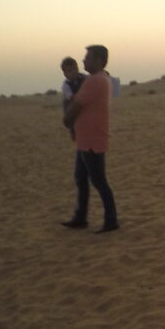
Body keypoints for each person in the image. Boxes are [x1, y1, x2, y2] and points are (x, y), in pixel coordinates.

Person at [61, 44, 119, 233]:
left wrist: (67, 119)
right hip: (85, 140)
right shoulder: (99, 79)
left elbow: (76, 105)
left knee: (99, 181)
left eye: (88, 57)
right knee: (81, 177)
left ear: (99, 61)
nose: (84, 60)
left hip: (92, 140)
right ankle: (81, 217)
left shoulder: (94, 81)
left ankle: (111, 221)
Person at [59, 56, 85, 139]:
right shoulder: (66, 85)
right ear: (65, 74)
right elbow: (71, 97)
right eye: (70, 71)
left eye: (75, 69)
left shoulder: (83, 77)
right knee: (70, 115)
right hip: (71, 103)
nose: (74, 72)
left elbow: (91, 80)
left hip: (81, 102)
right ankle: (72, 130)